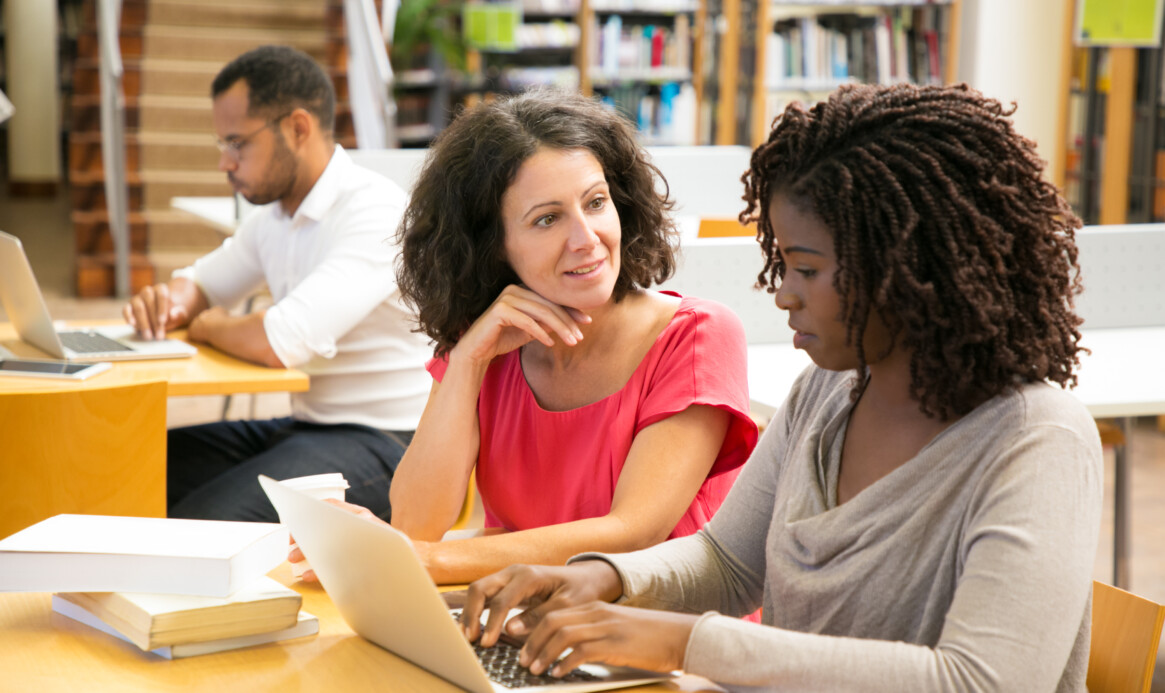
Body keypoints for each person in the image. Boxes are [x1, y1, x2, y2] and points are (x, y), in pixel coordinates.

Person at [458, 83, 1104, 691]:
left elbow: (979, 680)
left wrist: (681, 643)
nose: (783, 292)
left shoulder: (1035, 437)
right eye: (782, 262)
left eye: (806, 268)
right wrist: (600, 577)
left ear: (906, 270)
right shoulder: (828, 392)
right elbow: (729, 562)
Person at [293, 89, 758, 586]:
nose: (586, 238)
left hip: (660, 639)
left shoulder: (696, 337)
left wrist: (418, 559)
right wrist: (468, 359)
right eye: (547, 219)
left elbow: (631, 535)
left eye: (596, 203)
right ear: (493, 248)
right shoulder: (483, 344)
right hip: (522, 621)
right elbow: (416, 521)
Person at [122, 45, 431, 522]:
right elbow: (201, 284)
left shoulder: (374, 212)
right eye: (222, 145)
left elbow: (277, 341)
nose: (226, 162)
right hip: (306, 425)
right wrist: (170, 302)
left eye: (237, 143)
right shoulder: (277, 216)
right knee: (128, 466)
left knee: (206, 521)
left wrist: (206, 325)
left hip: (390, 444)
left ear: (298, 128)